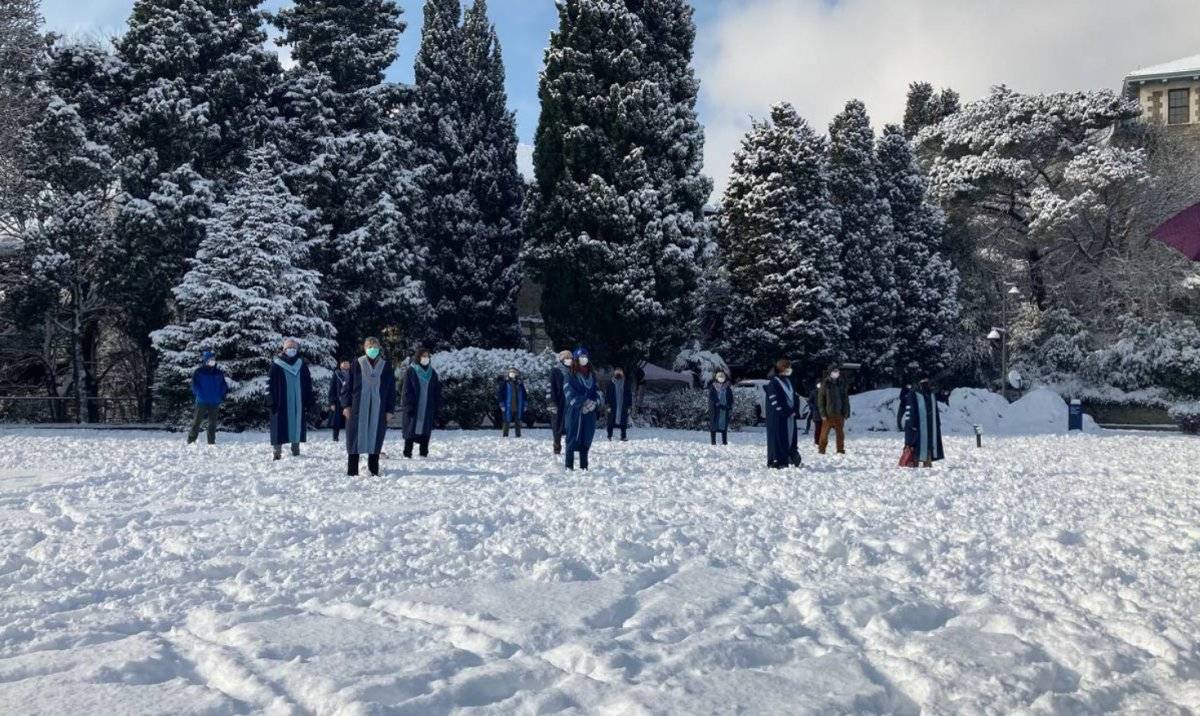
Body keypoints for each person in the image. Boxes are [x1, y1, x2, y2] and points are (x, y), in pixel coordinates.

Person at [341, 338, 396, 476]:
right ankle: (352, 471)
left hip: (379, 409)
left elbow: (391, 390)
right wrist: (346, 405)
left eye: (375, 346)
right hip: (357, 409)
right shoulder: (356, 364)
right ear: (365, 348)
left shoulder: (385, 366)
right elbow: (347, 387)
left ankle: (373, 469)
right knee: (354, 439)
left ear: (379, 348)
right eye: (370, 346)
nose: (372, 349)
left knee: (375, 438)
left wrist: (389, 410)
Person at [267, 338, 314, 460]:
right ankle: (277, 452)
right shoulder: (276, 365)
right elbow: (269, 384)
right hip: (280, 402)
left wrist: (309, 399)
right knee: (279, 426)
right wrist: (270, 399)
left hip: (298, 402)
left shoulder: (301, 365)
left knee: (296, 424)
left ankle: (295, 449)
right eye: (289, 348)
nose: (291, 350)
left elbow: (307, 383)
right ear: (284, 350)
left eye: (293, 348)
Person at [563, 347, 601, 470]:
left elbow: (597, 391)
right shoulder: (570, 375)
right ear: (576, 359)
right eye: (581, 357)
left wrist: (594, 403)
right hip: (575, 412)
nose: (583, 359)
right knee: (572, 437)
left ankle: (584, 466)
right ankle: (569, 466)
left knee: (586, 437)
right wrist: (583, 402)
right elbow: (569, 393)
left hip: (589, 412)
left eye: (585, 357)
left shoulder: (592, 376)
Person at [402, 348, 441, 458]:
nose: (425, 358)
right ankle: (407, 452)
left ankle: (424, 453)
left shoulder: (432, 373)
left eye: (427, 356)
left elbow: (436, 391)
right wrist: (408, 405)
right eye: (423, 356)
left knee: (425, 430)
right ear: (418, 357)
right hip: (414, 407)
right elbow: (406, 390)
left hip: (427, 407)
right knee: (410, 430)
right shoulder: (411, 371)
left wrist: (437, 407)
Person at [765, 359, 802, 468]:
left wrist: (795, 410)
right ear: (781, 369)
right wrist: (785, 412)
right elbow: (775, 400)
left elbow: (795, 397)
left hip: (790, 416)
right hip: (778, 417)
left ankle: (789, 456)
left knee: (790, 437)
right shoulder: (773, 383)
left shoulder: (789, 381)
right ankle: (776, 459)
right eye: (787, 368)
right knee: (778, 437)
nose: (790, 370)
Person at [187, 350, 228, 445]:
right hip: (202, 401)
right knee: (197, 421)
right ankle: (191, 441)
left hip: (214, 401)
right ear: (206, 360)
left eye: (213, 359)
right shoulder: (199, 372)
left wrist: (220, 394)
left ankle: (211, 442)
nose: (213, 361)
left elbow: (223, 385)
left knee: (212, 423)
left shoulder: (218, 372)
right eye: (210, 359)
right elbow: (194, 385)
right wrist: (199, 393)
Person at [903, 378, 945, 467]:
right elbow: (909, 410)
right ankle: (913, 463)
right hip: (916, 427)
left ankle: (927, 462)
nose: (927, 383)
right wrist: (912, 424)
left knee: (928, 445)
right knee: (915, 446)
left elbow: (935, 411)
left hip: (929, 427)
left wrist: (937, 423)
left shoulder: (931, 394)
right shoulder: (913, 393)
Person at [818, 365, 850, 455]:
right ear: (830, 372)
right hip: (828, 414)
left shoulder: (841, 383)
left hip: (839, 413)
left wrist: (846, 411)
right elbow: (821, 400)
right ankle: (821, 449)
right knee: (824, 434)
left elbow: (845, 399)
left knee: (840, 434)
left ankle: (840, 450)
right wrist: (823, 413)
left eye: (837, 371)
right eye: (834, 371)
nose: (836, 373)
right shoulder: (825, 384)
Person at [550, 349, 572, 455]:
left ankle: (570, 446)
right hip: (559, 401)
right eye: (567, 358)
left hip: (570, 402)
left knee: (570, 425)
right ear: (562, 359)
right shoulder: (555, 371)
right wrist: (552, 402)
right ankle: (557, 446)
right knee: (557, 424)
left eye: (570, 358)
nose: (569, 360)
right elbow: (551, 387)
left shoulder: (573, 371)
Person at [497, 367, 528, 438]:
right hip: (507, 405)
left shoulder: (519, 383)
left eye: (514, 372)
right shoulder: (505, 383)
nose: (512, 373)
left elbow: (524, 394)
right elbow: (500, 394)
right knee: (506, 420)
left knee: (518, 420)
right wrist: (501, 405)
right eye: (511, 372)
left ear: (517, 374)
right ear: (508, 373)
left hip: (518, 405)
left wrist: (525, 404)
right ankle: (505, 435)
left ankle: (518, 435)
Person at [605, 367, 633, 441]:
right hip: (612, 405)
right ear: (614, 373)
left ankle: (623, 436)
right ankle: (609, 436)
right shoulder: (610, 383)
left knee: (623, 421)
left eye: (620, 372)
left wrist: (629, 406)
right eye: (617, 372)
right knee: (610, 421)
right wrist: (607, 405)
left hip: (623, 405)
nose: (618, 374)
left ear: (622, 373)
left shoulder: (626, 383)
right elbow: (607, 394)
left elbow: (629, 394)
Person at [708, 369, 734, 445]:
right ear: (716, 378)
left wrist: (729, 405)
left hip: (724, 409)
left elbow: (730, 398)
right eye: (719, 377)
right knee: (713, 426)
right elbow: (711, 397)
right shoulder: (713, 387)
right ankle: (713, 442)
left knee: (724, 426)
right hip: (716, 409)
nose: (721, 378)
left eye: (722, 377)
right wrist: (717, 403)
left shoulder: (727, 388)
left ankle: (724, 441)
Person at [328, 359, 351, 442]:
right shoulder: (337, 374)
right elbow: (332, 388)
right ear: (340, 364)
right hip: (338, 400)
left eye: (347, 362)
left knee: (349, 420)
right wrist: (332, 402)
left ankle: (349, 437)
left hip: (348, 401)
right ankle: (335, 437)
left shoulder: (352, 374)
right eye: (343, 362)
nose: (345, 364)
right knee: (336, 421)